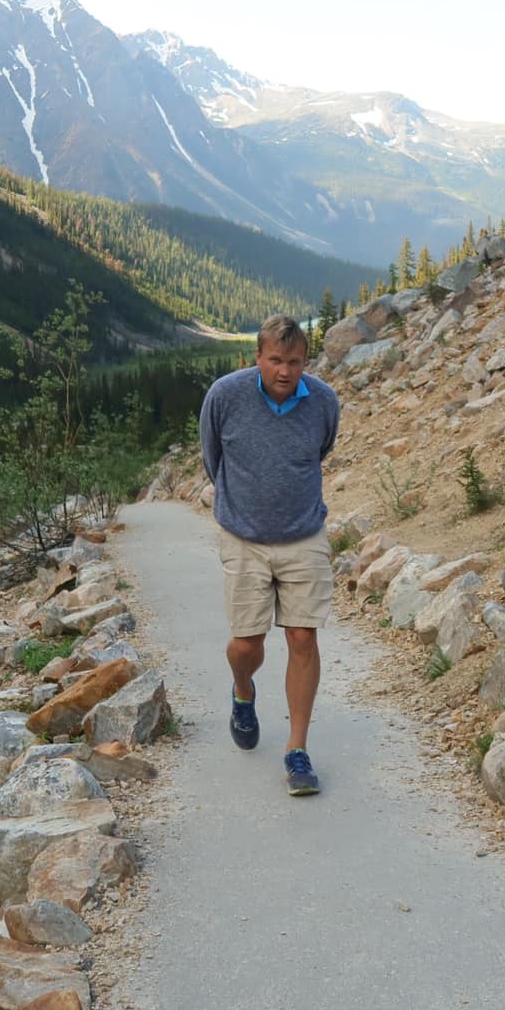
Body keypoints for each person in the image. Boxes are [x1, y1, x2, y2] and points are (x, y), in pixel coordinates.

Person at [197, 315, 340, 795]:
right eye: (275, 360)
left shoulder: (323, 401)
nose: (284, 371)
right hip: (243, 537)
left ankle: (297, 751)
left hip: (303, 535)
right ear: (256, 357)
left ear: (305, 362)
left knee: (303, 636)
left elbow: (321, 450)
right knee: (247, 644)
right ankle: (243, 690)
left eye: (294, 361)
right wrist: (244, 505)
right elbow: (211, 457)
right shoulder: (224, 395)